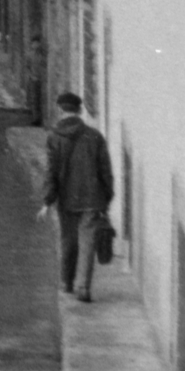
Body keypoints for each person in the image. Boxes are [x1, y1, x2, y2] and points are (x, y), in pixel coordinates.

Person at [39, 92, 114, 303]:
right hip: (93, 199)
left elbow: (50, 172)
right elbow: (105, 172)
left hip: (67, 199)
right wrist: (106, 198)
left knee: (68, 241)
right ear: (80, 111)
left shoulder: (54, 138)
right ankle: (83, 287)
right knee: (88, 243)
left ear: (60, 110)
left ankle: (67, 283)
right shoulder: (95, 136)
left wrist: (47, 201)